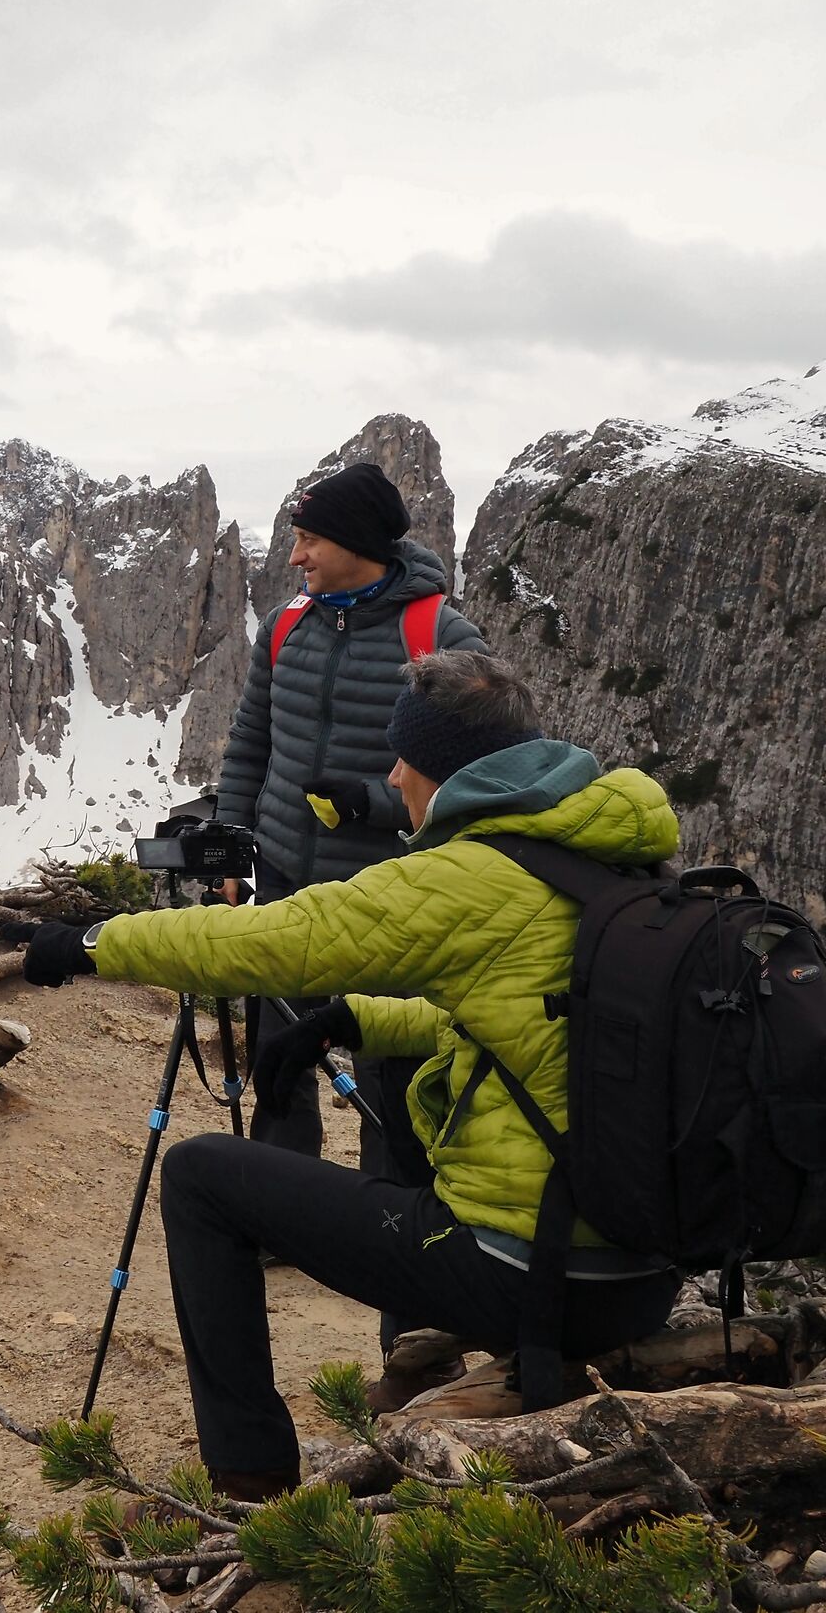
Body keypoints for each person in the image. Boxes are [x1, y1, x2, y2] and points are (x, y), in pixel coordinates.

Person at [19, 652, 682, 1498]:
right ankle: (416, 1365)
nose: (393, 774)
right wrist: (354, 1018)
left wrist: (89, 945)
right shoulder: (603, 856)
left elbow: (269, 941)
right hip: (645, 1269)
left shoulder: (471, 878)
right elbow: (532, 1027)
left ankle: (250, 1483)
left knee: (199, 1176)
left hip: (532, 1275)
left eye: (404, 756)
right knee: (400, 1085)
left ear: (442, 769)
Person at [218, 460, 485, 1186]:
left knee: (389, 1061)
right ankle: (279, 1204)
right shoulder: (285, 628)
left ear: (356, 543)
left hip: (390, 891)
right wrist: (230, 852)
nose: (297, 555)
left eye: (309, 539)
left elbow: (480, 783)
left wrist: (371, 801)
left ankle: (392, 1219)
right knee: (277, 1049)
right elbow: (251, 743)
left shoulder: (442, 637)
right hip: (282, 873)